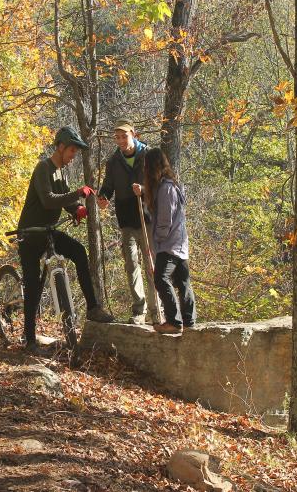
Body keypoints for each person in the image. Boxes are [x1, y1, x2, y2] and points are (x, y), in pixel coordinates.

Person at [17, 126, 115, 351]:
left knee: (79, 252)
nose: (73, 157)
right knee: (32, 286)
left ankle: (93, 308)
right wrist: (78, 193)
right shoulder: (43, 167)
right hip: (30, 234)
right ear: (60, 147)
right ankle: (30, 340)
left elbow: (65, 201)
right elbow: (49, 200)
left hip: (48, 232)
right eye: (71, 151)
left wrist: (76, 209)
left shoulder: (61, 172)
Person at [97, 118, 159, 325]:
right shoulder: (113, 162)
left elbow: (160, 182)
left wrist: (143, 190)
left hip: (147, 217)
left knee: (151, 265)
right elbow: (108, 186)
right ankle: (139, 311)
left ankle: (156, 310)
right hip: (126, 220)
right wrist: (103, 197)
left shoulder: (148, 156)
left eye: (124, 136)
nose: (121, 140)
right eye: (117, 137)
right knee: (132, 265)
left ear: (134, 134)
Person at [137, 147, 196, 334]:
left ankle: (174, 321)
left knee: (161, 279)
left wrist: (156, 243)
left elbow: (164, 221)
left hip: (170, 244)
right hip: (179, 244)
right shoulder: (170, 187)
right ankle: (189, 321)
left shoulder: (166, 189)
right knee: (182, 281)